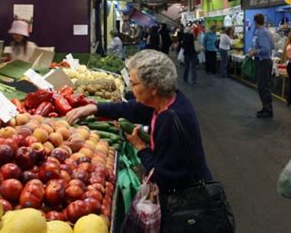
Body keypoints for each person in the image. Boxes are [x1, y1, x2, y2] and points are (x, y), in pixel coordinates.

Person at [65, 50, 212, 195]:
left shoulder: (169, 119)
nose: (130, 89)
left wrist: (140, 147)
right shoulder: (169, 99)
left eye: (134, 84)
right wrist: (94, 108)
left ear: (153, 88)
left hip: (188, 202)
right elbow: (131, 109)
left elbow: (162, 177)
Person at [249, 13, 274, 118]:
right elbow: (272, 46)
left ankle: (268, 110)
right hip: (265, 61)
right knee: (263, 86)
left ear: (255, 22)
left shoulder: (261, 32)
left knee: (263, 86)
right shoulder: (266, 31)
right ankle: (266, 108)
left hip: (263, 61)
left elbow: (266, 49)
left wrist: (255, 52)